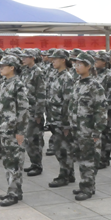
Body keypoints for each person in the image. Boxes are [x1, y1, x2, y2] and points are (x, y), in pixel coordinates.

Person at [69, 53, 108, 200]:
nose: (76, 67)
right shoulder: (77, 83)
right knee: (81, 158)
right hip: (77, 129)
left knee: (89, 160)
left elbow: (101, 109)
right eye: (76, 64)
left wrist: (97, 131)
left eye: (80, 64)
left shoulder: (95, 86)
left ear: (88, 66)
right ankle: (85, 184)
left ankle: (88, 188)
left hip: (89, 130)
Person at [0, 55, 29, 207]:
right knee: (8, 162)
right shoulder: (5, 83)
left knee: (15, 163)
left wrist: (20, 131)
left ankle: (13, 193)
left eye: (3, 66)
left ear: (12, 67)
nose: (0, 68)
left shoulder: (18, 85)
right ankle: (13, 190)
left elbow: (23, 110)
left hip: (13, 130)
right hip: (4, 130)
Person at [46, 49, 76, 188]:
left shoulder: (67, 78)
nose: (53, 61)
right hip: (54, 118)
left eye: (56, 59)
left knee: (62, 150)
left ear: (63, 60)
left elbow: (68, 102)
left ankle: (64, 176)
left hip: (61, 120)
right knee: (61, 148)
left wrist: (66, 124)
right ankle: (69, 174)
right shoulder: (55, 75)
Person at [20, 50, 46, 177]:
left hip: (34, 110)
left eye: (26, 57)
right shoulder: (25, 71)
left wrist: (39, 113)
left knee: (33, 139)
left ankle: (37, 165)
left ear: (32, 58)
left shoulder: (38, 72)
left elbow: (41, 93)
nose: (23, 59)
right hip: (25, 110)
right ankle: (34, 163)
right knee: (27, 139)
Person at [93, 51, 111, 169]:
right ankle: (97, 157)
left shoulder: (109, 75)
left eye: (98, 60)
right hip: (95, 110)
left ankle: (104, 159)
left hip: (105, 110)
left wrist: (107, 111)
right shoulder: (94, 73)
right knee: (97, 134)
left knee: (105, 135)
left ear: (104, 62)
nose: (95, 61)